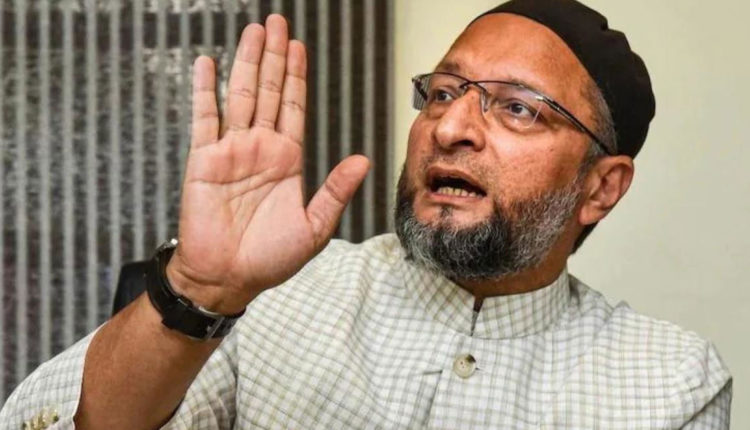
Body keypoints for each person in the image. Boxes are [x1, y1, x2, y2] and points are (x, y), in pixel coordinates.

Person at [0, 0, 732, 428]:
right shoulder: (278, 297)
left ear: (601, 188)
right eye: (442, 93)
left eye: (517, 108)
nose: (451, 127)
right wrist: (201, 289)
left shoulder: (669, 382)